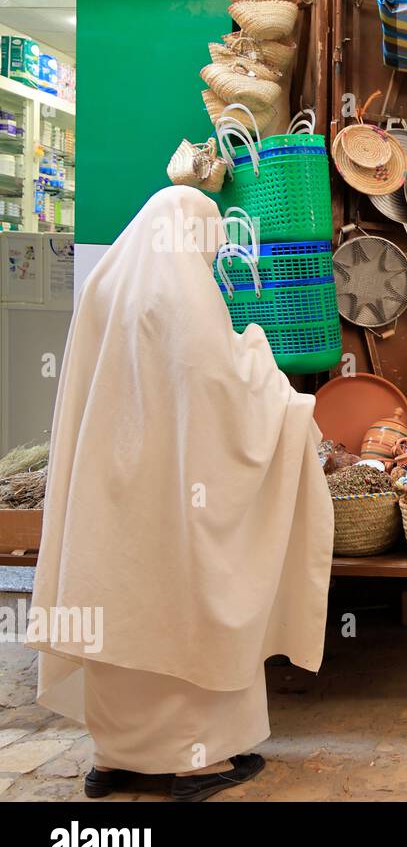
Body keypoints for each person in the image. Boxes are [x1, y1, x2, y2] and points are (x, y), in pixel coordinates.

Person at [26, 186, 333, 801]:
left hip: (109, 498)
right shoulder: (182, 293)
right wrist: (264, 364)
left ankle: (114, 758)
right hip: (177, 496)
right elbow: (218, 386)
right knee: (181, 611)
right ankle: (196, 764)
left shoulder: (106, 283)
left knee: (117, 611)